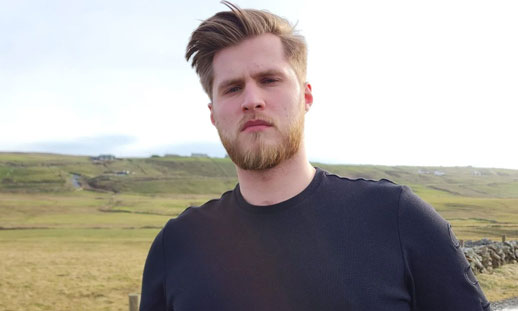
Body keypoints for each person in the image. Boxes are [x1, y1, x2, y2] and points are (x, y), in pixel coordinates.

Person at [140, 2, 491, 310]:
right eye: (232, 88)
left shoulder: (397, 217)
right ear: (213, 112)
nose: (252, 99)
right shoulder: (177, 245)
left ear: (306, 97)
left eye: (270, 80)